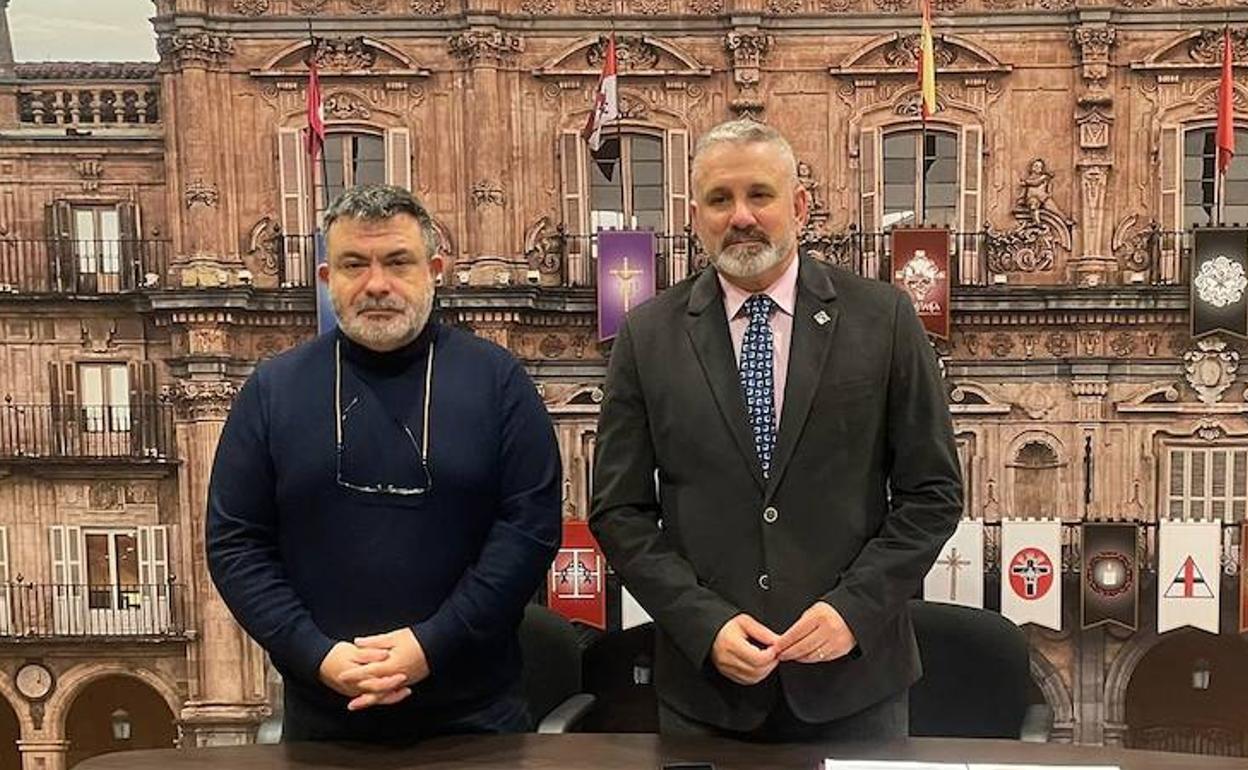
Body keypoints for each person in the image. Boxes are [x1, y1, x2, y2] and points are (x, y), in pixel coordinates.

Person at [589, 120, 962, 742]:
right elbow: (620, 511)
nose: (741, 216)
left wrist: (853, 610)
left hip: (855, 686)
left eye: (759, 194)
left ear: (799, 205)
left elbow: (932, 494)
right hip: (707, 693)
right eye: (719, 199)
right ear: (695, 214)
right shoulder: (647, 335)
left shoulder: (884, 319)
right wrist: (702, 623)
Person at [207, 184, 561, 744]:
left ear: (435, 269)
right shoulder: (273, 390)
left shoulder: (499, 382)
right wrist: (316, 654)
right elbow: (235, 541)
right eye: (354, 264)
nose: (377, 284)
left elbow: (529, 531)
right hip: (322, 718)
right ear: (327, 280)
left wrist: (432, 644)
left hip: (475, 722)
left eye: (398, 262)